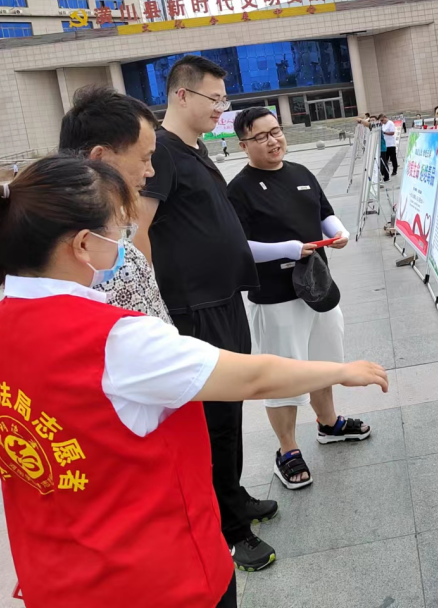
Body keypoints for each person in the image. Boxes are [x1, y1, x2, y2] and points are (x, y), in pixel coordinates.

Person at [0, 155, 387, 608]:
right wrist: (341, 370)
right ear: (83, 243)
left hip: (55, 577)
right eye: (117, 231)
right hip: (157, 576)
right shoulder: (115, 339)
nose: (124, 243)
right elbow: (252, 378)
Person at [135, 55, 276, 572]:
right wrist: (151, 309)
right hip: (193, 309)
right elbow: (140, 231)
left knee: (230, 411)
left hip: (223, 300)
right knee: (212, 423)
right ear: (181, 95)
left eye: (223, 99)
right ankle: (227, 531)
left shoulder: (195, 149)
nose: (222, 108)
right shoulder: (162, 152)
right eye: (214, 99)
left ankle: (232, 498)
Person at [227, 108, 368, 490]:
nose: (273, 141)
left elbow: (324, 214)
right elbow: (238, 246)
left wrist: (338, 232)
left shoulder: (301, 173)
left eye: (276, 131)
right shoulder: (239, 190)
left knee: (324, 362)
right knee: (283, 376)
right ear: (243, 145)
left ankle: (329, 423)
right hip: (275, 297)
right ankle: (287, 450)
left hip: (317, 288)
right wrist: (286, 249)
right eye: (261, 137)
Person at [58, 86, 170, 322]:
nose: (150, 171)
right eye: (145, 159)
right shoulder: (69, 249)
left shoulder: (109, 224)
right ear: (100, 158)